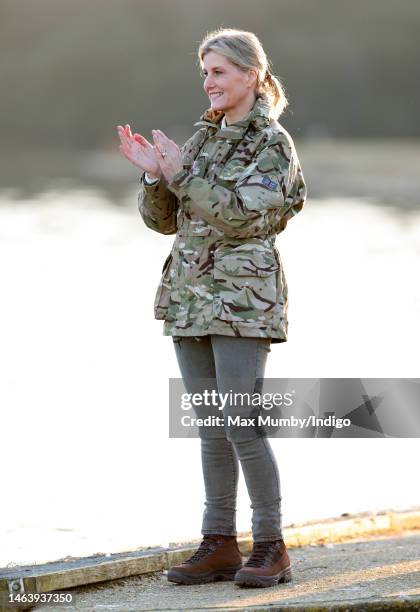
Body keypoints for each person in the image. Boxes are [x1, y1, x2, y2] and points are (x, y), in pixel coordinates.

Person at [117, 27, 307, 589]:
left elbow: (244, 217)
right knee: (209, 428)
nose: (209, 83)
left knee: (241, 424)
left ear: (252, 74)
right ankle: (219, 542)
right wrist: (155, 175)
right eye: (204, 72)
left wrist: (181, 174)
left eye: (219, 71)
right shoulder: (200, 140)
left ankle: (271, 546)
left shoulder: (272, 143)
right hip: (191, 300)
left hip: (244, 302)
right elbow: (166, 220)